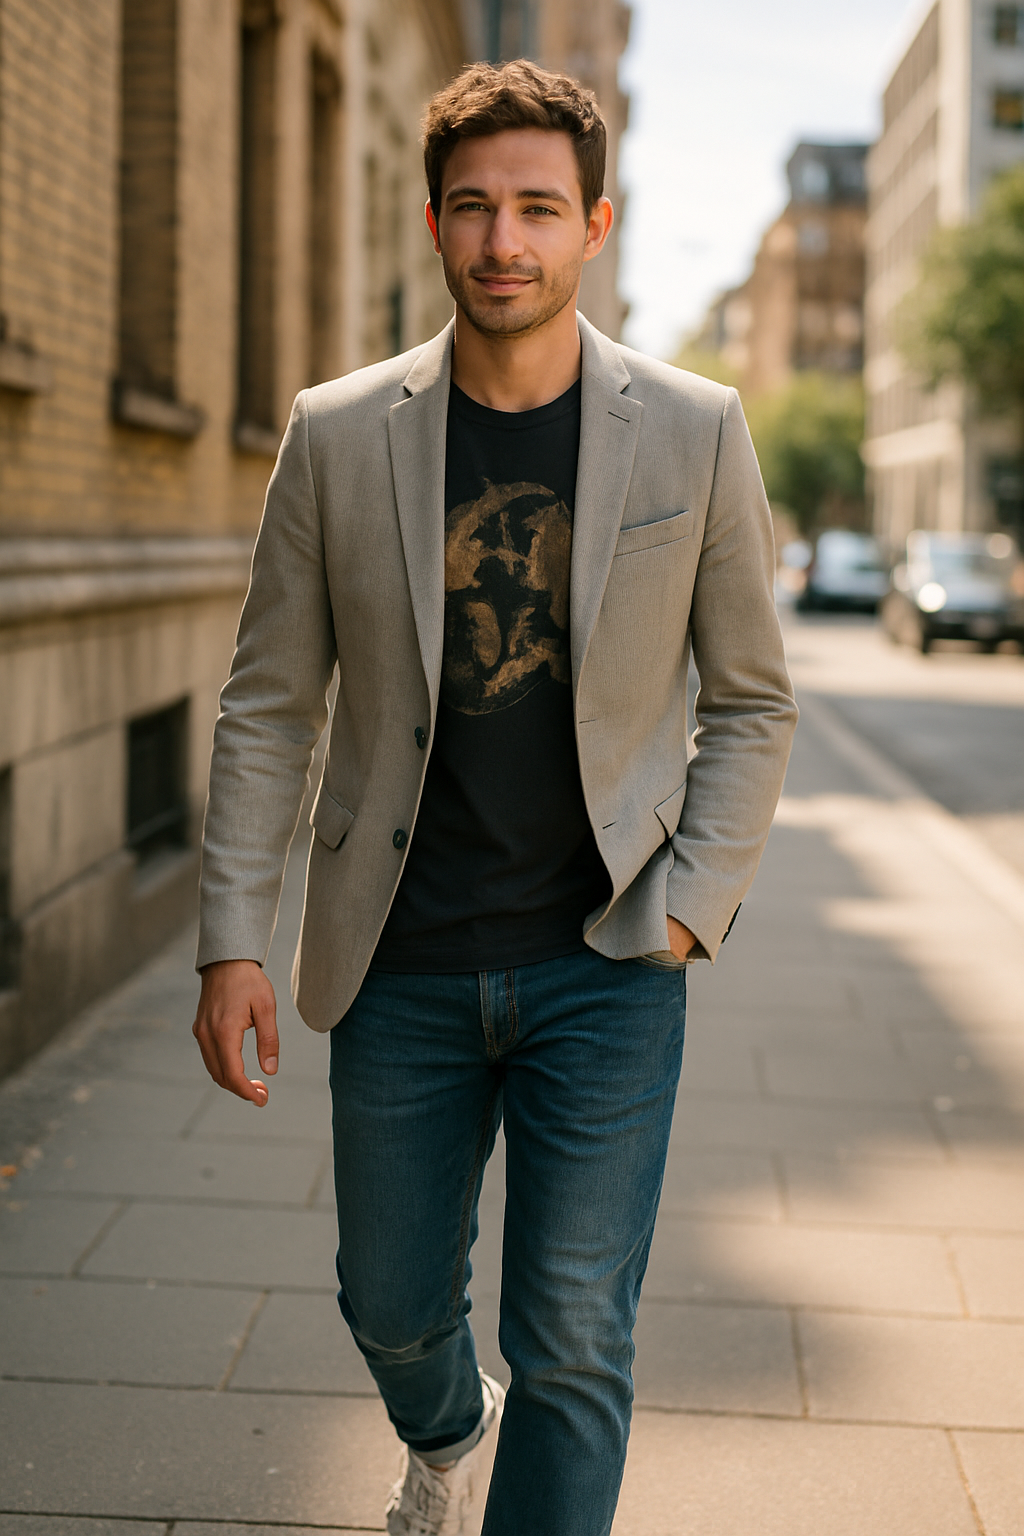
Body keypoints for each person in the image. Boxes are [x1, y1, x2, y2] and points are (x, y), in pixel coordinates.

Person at [192, 59, 797, 1536]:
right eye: (474, 208)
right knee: (389, 1303)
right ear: (432, 223)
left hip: (606, 962)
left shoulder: (695, 427)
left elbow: (755, 697)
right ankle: (443, 1430)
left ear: (597, 222)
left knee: (579, 1343)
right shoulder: (339, 434)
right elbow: (271, 700)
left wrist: (694, 908)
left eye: (537, 207)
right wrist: (231, 938)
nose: (503, 240)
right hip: (397, 957)